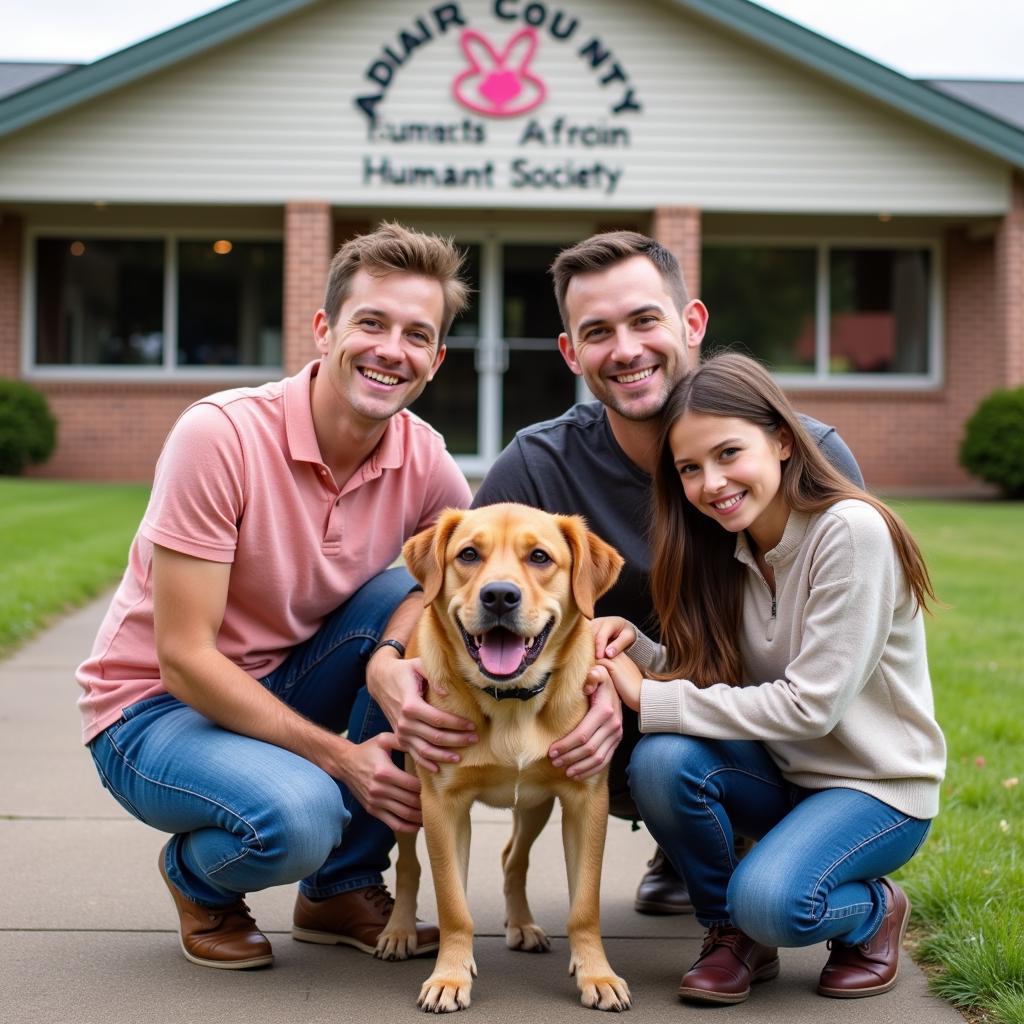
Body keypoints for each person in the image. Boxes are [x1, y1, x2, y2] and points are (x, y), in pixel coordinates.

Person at [77, 223, 481, 971]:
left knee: (415, 604)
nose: (392, 349)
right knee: (299, 816)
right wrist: (342, 760)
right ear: (324, 330)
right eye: (372, 323)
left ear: (435, 360)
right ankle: (199, 881)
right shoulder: (220, 436)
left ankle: (341, 888)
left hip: (284, 676)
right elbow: (184, 661)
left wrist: (392, 659)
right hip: (153, 712)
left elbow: (466, 577)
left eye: (416, 334)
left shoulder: (423, 456)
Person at [472, 231, 864, 914]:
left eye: (645, 319)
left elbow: (837, 669)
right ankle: (690, 851)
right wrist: (588, 687)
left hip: (783, 736)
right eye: (597, 332)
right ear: (571, 352)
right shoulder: (539, 466)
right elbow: (458, 598)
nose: (625, 349)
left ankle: (756, 840)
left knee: (779, 898)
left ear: (692, 323)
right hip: (621, 724)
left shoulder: (802, 458)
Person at [594, 352, 946, 1005]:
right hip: (787, 777)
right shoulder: (730, 546)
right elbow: (721, 677)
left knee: (775, 904)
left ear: (782, 440)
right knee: (662, 762)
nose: (712, 482)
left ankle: (871, 912)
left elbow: (810, 707)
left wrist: (652, 697)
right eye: (690, 469)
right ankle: (734, 935)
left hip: (875, 790)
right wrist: (637, 648)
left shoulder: (851, 532)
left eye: (730, 453)